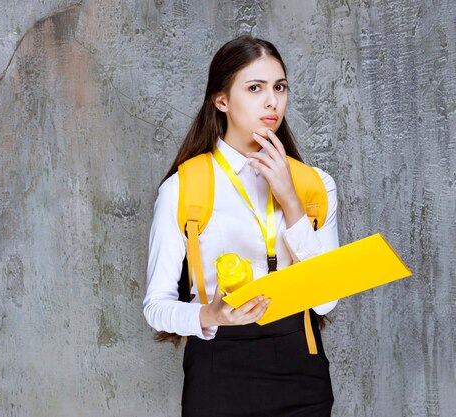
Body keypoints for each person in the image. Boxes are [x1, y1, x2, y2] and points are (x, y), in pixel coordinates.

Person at [143, 35, 340, 417]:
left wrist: (290, 200)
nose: (272, 101)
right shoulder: (183, 188)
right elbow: (156, 306)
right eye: (255, 88)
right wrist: (210, 315)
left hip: (302, 371)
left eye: (279, 87)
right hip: (219, 370)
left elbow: (327, 299)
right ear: (221, 101)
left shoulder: (317, 184)